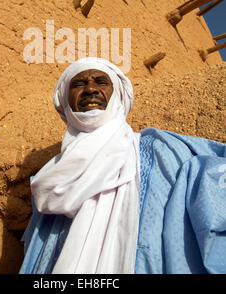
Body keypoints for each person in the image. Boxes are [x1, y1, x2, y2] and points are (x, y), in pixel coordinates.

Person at [19, 57, 226, 274]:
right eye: (78, 84)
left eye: (101, 82)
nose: (90, 89)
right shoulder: (51, 178)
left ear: (117, 94)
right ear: (66, 101)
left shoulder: (162, 149)